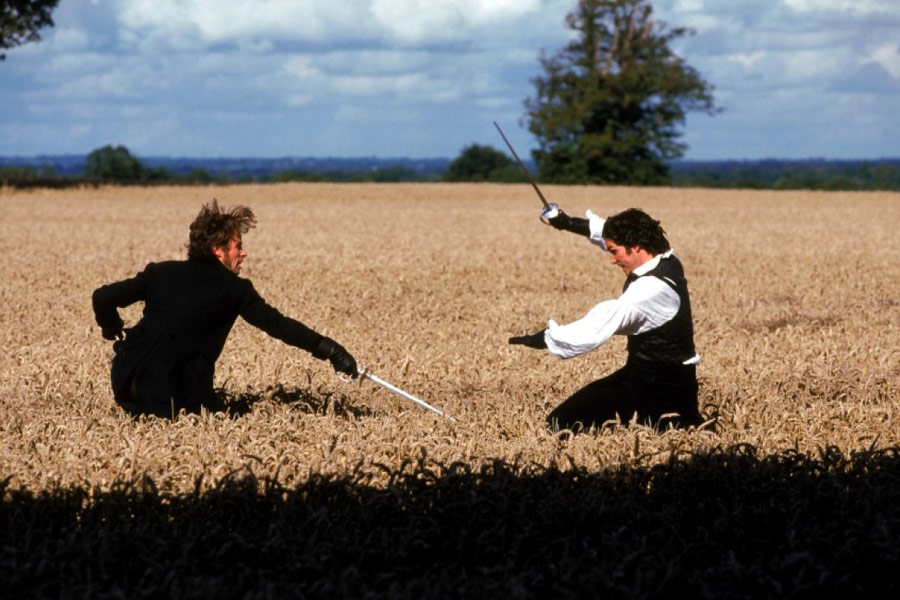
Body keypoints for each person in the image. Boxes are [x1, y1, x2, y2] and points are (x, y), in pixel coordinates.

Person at [92, 199, 358, 419]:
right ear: (218, 249)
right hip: (172, 398)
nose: (243, 254)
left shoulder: (159, 272)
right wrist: (331, 351)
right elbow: (279, 326)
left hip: (126, 382)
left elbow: (102, 297)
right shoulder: (235, 288)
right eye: (238, 246)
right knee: (226, 417)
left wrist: (112, 329)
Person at [509, 206, 703, 433]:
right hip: (641, 376)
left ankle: (684, 422)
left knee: (563, 424)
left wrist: (547, 337)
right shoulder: (664, 257)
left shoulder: (650, 290)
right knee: (562, 422)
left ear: (637, 246)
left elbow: (599, 324)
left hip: (662, 388)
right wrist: (566, 222)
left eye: (615, 252)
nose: (612, 260)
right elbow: (606, 232)